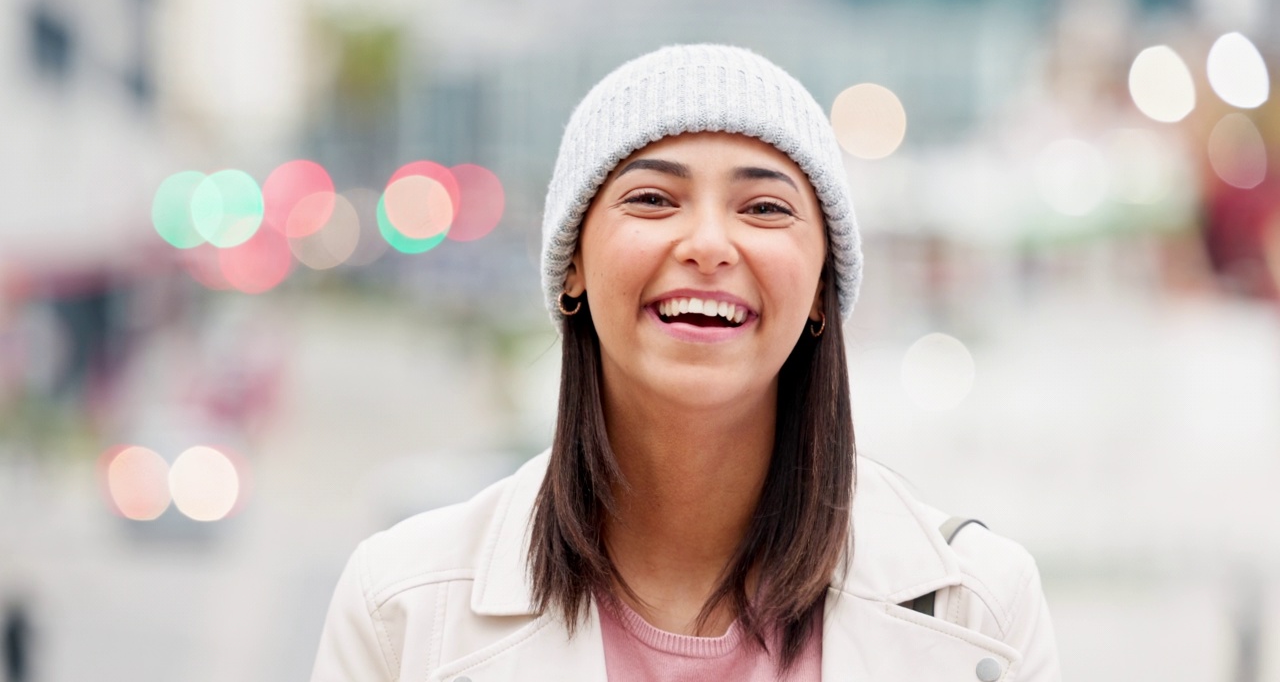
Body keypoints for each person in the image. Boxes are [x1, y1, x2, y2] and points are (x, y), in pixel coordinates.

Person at [310, 44, 1061, 681]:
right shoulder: (403, 608)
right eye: (652, 199)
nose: (708, 243)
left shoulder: (981, 608)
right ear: (571, 266)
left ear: (822, 293)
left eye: (765, 208)